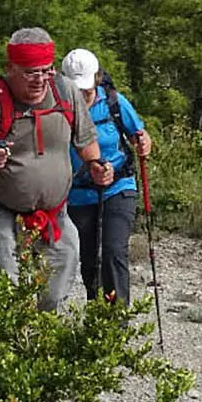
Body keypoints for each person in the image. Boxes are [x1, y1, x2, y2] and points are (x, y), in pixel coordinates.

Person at [0, 28, 101, 309]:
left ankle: (40, 341)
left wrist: (97, 166)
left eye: (46, 71)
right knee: (9, 294)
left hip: (55, 214)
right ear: (10, 69)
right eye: (30, 73)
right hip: (2, 211)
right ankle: (8, 345)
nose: (40, 80)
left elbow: (87, 142)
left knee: (57, 289)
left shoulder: (65, 92)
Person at [59, 48, 153, 304]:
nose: (81, 94)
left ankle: (116, 326)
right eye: (75, 88)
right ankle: (98, 319)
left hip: (118, 187)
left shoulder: (113, 102)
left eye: (86, 89)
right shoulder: (55, 107)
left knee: (113, 251)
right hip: (78, 194)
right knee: (89, 259)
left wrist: (144, 143)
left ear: (97, 78)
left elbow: (139, 136)